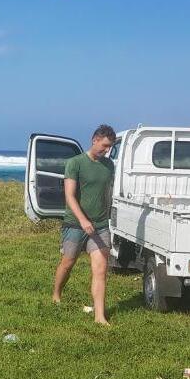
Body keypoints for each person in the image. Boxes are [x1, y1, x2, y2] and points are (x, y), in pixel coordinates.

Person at [52, 124, 116, 326]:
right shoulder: (75, 163)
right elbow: (69, 196)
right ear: (94, 140)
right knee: (68, 262)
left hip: (100, 226)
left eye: (109, 147)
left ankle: (99, 316)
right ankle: (56, 294)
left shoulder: (109, 165)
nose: (107, 150)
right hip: (75, 224)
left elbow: (107, 193)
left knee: (100, 269)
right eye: (104, 145)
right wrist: (83, 220)